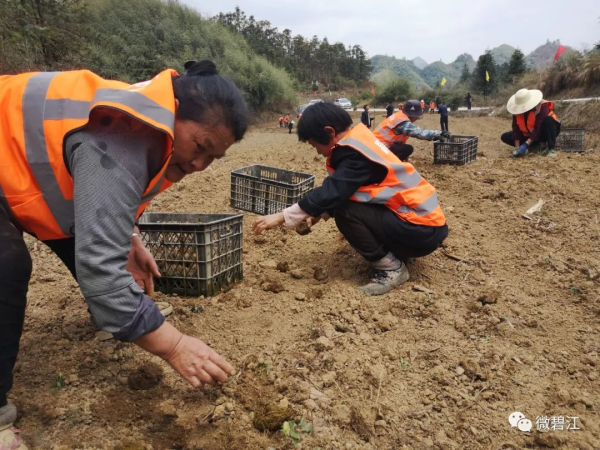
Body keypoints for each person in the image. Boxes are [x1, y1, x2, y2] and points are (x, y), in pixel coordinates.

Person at [0, 59, 248, 446]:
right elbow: (101, 268)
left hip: (18, 170)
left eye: (213, 158)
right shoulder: (127, 136)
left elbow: (98, 193)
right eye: (201, 147)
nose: (200, 164)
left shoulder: (149, 121)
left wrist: (129, 239)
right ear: (175, 115)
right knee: (7, 265)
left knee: (88, 246)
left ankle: (117, 315)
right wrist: (174, 344)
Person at [252, 103, 448, 296]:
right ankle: (400, 252)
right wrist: (321, 214)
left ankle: (392, 269)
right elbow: (354, 189)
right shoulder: (361, 142)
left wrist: (283, 216)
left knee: (345, 211)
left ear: (329, 132)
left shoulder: (355, 154)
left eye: (315, 145)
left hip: (420, 231)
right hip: (423, 225)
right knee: (342, 204)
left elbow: (334, 191)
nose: (318, 152)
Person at [373, 100, 449, 162]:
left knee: (403, 147)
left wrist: (433, 137)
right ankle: (390, 162)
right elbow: (420, 133)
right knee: (408, 149)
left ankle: (395, 160)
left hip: (375, 145)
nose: (417, 118)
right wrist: (439, 133)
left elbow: (399, 140)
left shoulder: (400, 115)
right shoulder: (403, 123)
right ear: (413, 115)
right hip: (378, 149)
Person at [501, 88, 561, 158]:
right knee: (505, 136)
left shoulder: (542, 106)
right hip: (529, 135)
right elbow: (515, 129)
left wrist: (526, 144)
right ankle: (534, 146)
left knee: (549, 120)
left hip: (543, 133)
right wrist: (517, 148)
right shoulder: (517, 111)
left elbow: (537, 128)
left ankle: (551, 149)